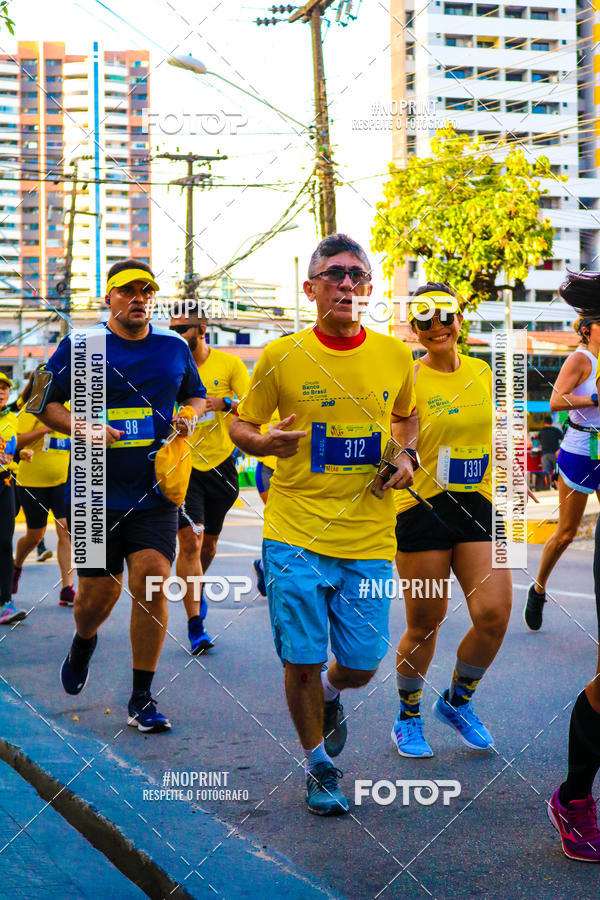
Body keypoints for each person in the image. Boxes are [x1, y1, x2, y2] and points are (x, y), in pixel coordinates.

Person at [230, 233, 417, 816]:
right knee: (303, 659)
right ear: (310, 288)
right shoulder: (280, 356)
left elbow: (407, 419)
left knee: (362, 665)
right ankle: (318, 765)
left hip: (368, 535)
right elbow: (241, 426)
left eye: (356, 275)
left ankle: (335, 695)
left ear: (368, 288)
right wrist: (263, 442)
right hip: (295, 532)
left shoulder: (394, 354)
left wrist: (407, 458)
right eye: (333, 273)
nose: (345, 282)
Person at [34, 260, 206, 733]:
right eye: (126, 291)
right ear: (107, 298)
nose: (138, 298)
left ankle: (142, 696)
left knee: (152, 579)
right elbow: (41, 405)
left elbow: (196, 396)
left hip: (155, 490)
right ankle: (83, 640)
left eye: (146, 291)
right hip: (92, 490)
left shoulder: (173, 346)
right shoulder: (81, 345)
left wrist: (188, 417)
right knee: (98, 594)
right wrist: (83, 427)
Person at [391, 284, 512, 759]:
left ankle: (458, 702)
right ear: (414, 329)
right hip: (421, 508)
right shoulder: (406, 378)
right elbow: (394, 437)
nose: (437, 326)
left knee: (494, 615)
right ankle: (407, 717)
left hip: (478, 504)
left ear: (460, 319)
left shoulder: (482, 372)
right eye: (424, 319)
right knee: (426, 622)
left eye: (445, 315)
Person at [170, 305, 250, 654]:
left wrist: (224, 402)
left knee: (209, 545)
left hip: (220, 466)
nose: (176, 335)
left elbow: (250, 407)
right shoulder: (169, 364)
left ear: (201, 328)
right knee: (191, 542)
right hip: (183, 466)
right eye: (171, 328)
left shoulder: (230, 365)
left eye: (182, 328)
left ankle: (195, 587)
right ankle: (195, 624)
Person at [526, 313, 600, 631]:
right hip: (581, 450)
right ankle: (538, 588)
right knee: (567, 534)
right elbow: (556, 401)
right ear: (587, 331)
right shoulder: (580, 359)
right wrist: (594, 398)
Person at [12, 367, 75, 606]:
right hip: (32, 483)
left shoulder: (67, 411)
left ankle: (67, 589)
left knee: (65, 529)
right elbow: (14, 442)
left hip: (62, 481)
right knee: (35, 536)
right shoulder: (31, 410)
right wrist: (46, 427)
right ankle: (16, 566)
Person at [0, 372, 31, 624]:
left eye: (5, 388)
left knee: (4, 542)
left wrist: (21, 454)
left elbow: (8, 452)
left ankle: (5, 603)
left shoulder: (12, 418)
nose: (1, 392)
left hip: (6, 483)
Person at [537, 416, 562, 486]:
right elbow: (563, 439)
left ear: (544, 423)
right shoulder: (556, 430)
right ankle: (558, 487)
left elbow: (538, 440)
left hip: (545, 455)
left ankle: (548, 487)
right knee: (557, 472)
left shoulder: (541, 431)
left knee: (546, 473)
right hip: (555, 454)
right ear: (551, 422)